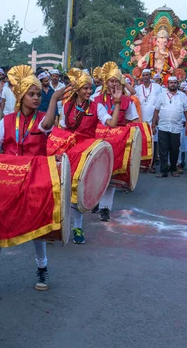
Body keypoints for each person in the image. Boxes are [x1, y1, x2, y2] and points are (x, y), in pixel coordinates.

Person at [0, 65, 63, 294]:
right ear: (21, 96)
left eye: (37, 95)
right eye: (32, 94)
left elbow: (48, 125)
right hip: (7, 181)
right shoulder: (6, 122)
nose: (36, 98)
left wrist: (53, 98)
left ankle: (42, 267)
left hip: (35, 181)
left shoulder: (43, 119)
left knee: (37, 226)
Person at [62, 68, 123, 242]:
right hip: (66, 153)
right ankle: (59, 226)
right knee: (62, 190)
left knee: (78, 192)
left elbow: (112, 123)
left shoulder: (97, 107)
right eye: (85, 88)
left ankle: (78, 228)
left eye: (90, 88)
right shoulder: (67, 106)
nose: (89, 91)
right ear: (77, 89)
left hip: (85, 155)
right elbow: (61, 130)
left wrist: (117, 103)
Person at [92, 62, 139, 221]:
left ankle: (106, 208)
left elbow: (134, 120)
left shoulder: (127, 101)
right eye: (111, 81)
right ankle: (97, 200)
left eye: (117, 81)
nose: (114, 84)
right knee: (97, 173)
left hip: (118, 142)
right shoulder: (96, 99)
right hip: (98, 141)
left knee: (112, 175)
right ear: (106, 82)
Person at [151, 76, 187, 178]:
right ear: (167, 84)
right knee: (163, 150)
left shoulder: (182, 96)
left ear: (177, 84)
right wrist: (153, 125)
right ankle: (163, 171)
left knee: (174, 149)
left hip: (176, 127)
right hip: (163, 126)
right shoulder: (162, 95)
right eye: (171, 83)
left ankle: (173, 169)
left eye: (174, 83)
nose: (173, 84)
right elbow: (156, 110)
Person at [135, 68, 162, 173]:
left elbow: (160, 103)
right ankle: (142, 164)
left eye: (147, 75)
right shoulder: (137, 89)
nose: (146, 77)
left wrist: (157, 120)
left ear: (151, 76)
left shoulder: (157, 88)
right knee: (141, 142)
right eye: (144, 75)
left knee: (153, 142)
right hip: (141, 120)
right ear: (141, 77)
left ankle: (152, 164)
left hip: (153, 119)